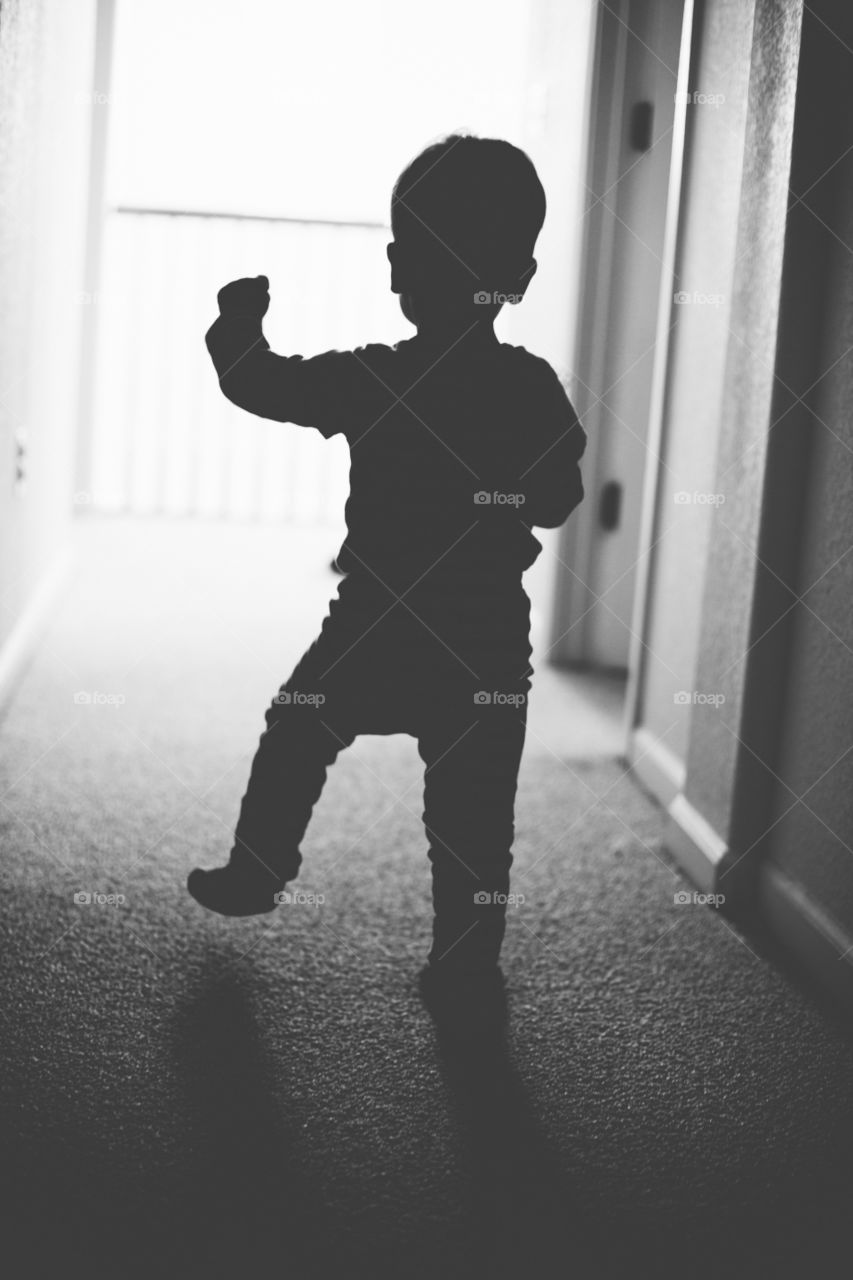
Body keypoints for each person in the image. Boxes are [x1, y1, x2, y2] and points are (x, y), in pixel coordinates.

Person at [188, 135, 586, 1028]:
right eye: (403, 248)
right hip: (480, 638)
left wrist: (236, 329)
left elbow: (262, 384)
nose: (399, 264)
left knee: (300, 730)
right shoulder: (525, 387)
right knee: (473, 819)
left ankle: (259, 868)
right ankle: (465, 954)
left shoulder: (376, 377)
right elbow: (559, 498)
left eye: (411, 251)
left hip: (378, 624)